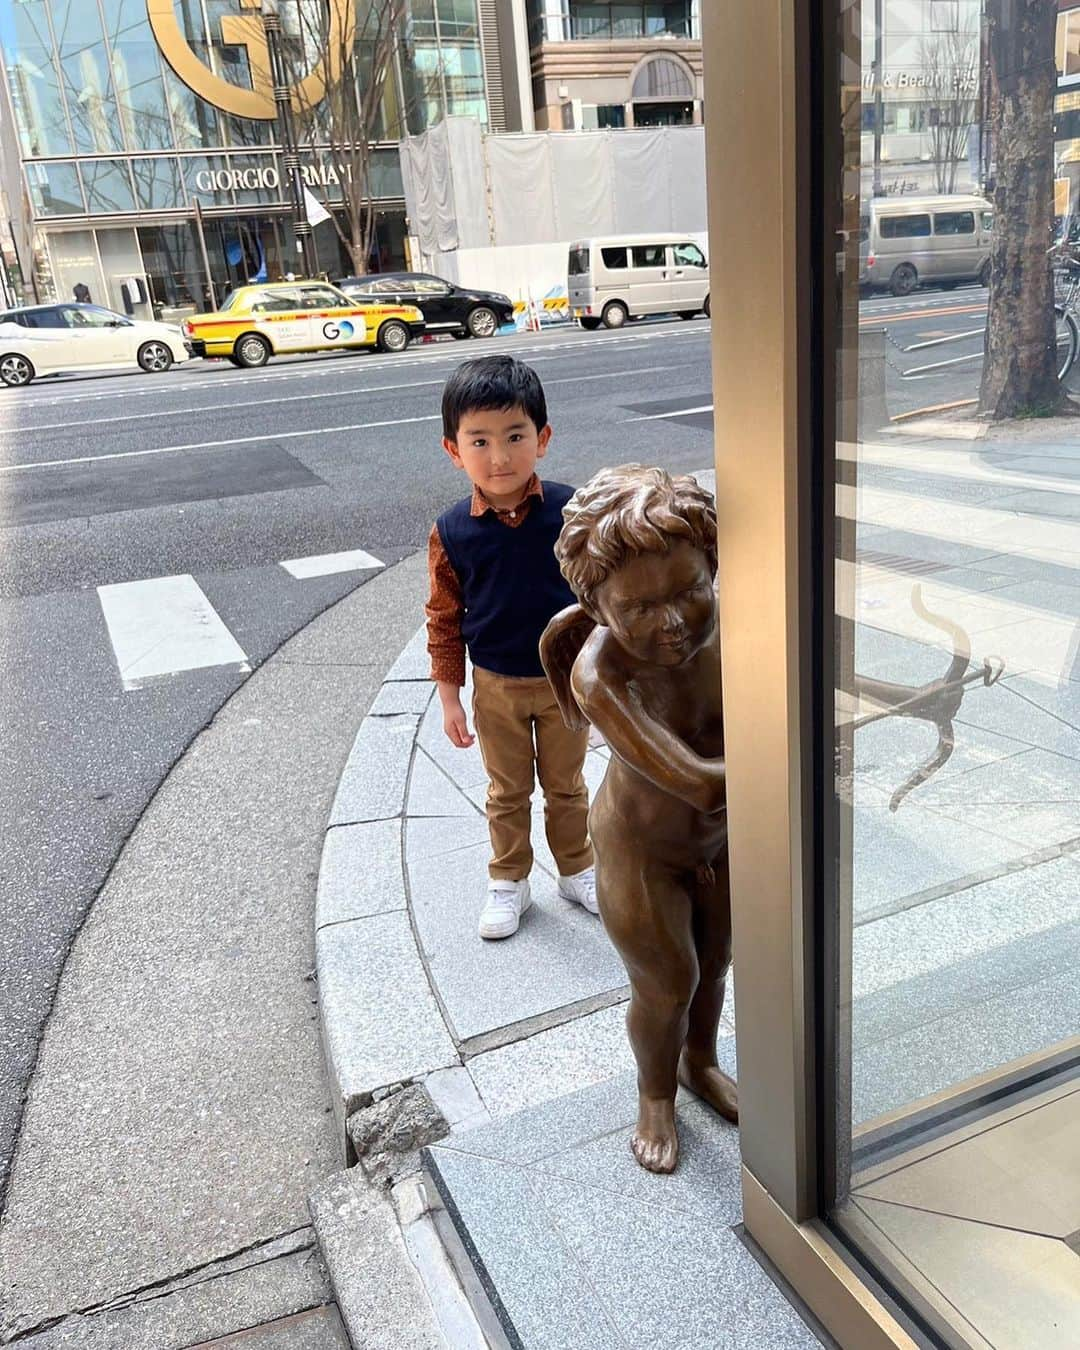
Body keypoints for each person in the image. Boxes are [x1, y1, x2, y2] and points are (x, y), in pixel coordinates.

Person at [541, 466, 736, 1173]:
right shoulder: (601, 676)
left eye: (690, 589)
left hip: (720, 841)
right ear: (595, 607)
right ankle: (656, 1094)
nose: (674, 621)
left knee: (715, 963)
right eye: (641, 607)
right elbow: (699, 784)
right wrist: (797, 750)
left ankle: (700, 1064)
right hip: (641, 849)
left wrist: (916, 694)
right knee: (666, 983)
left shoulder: (733, 623)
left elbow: (815, 672)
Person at [425, 355, 597, 940]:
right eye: (479, 441)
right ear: (454, 450)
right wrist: (450, 697)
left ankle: (577, 868)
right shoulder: (452, 531)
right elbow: (443, 618)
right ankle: (509, 881)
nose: (499, 457)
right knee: (506, 791)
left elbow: (598, 594)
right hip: (494, 685)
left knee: (567, 785)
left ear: (542, 439)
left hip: (564, 684)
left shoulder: (573, 513)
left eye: (515, 436)